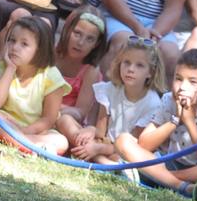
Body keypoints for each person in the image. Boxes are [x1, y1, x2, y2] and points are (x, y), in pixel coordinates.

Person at [113, 48, 197, 200]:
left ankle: (162, 177)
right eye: (178, 78)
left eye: (192, 82)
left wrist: (190, 122)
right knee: (123, 140)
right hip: (172, 162)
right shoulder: (168, 100)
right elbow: (144, 144)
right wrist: (174, 121)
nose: (182, 87)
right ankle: (182, 187)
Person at [64, 34, 164, 163]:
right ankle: (94, 156)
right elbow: (101, 132)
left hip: (122, 150)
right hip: (102, 141)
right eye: (126, 63)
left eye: (139, 65)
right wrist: (92, 130)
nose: (131, 69)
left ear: (151, 72)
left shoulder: (152, 103)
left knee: (120, 157)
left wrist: (99, 149)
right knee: (65, 120)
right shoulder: (110, 89)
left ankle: (98, 159)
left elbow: (136, 145)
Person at [0, 15, 71, 155]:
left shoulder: (51, 75)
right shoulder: (3, 66)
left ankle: (15, 141)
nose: (15, 47)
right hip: (5, 121)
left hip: (34, 129)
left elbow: (48, 119)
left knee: (61, 142)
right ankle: (29, 147)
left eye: (24, 44)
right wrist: (10, 69)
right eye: (12, 40)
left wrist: (24, 131)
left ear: (40, 49)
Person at [52, 5, 105, 124]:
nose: (81, 42)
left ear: (97, 44)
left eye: (90, 39)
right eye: (77, 33)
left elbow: (80, 112)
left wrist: (53, 111)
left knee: (65, 122)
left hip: (66, 118)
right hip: (40, 106)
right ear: (67, 30)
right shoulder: (52, 54)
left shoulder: (91, 71)